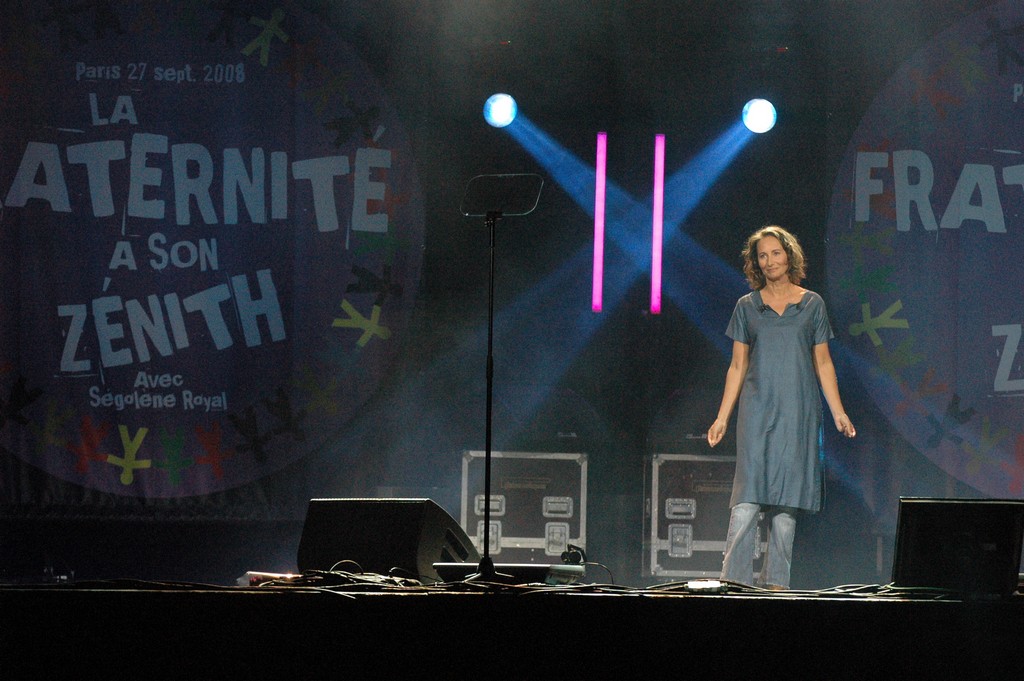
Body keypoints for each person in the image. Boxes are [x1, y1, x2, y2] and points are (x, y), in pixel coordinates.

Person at [707, 225, 855, 590]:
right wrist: (722, 416)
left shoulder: (812, 304)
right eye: (762, 255)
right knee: (747, 500)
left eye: (775, 252)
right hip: (757, 412)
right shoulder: (747, 306)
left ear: (789, 255)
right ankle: (734, 585)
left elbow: (823, 363)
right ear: (755, 263)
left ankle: (776, 588)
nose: (769, 260)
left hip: (798, 413)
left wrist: (838, 411)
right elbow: (737, 366)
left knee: (787, 507)